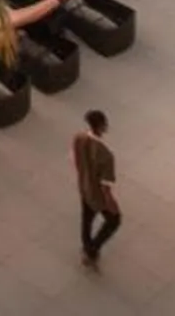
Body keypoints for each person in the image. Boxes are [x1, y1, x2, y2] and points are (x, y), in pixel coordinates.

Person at [74, 109, 121, 266]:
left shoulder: (79, 138)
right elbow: (105, 187)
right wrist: (112, 204)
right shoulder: (106, 155)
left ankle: (87, 246)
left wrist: (82, 180)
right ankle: (92, 249)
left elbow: (77, 162)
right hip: (96, 193)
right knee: (114, 220)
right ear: (102, 126)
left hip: (84, 186)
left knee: (86, 219)